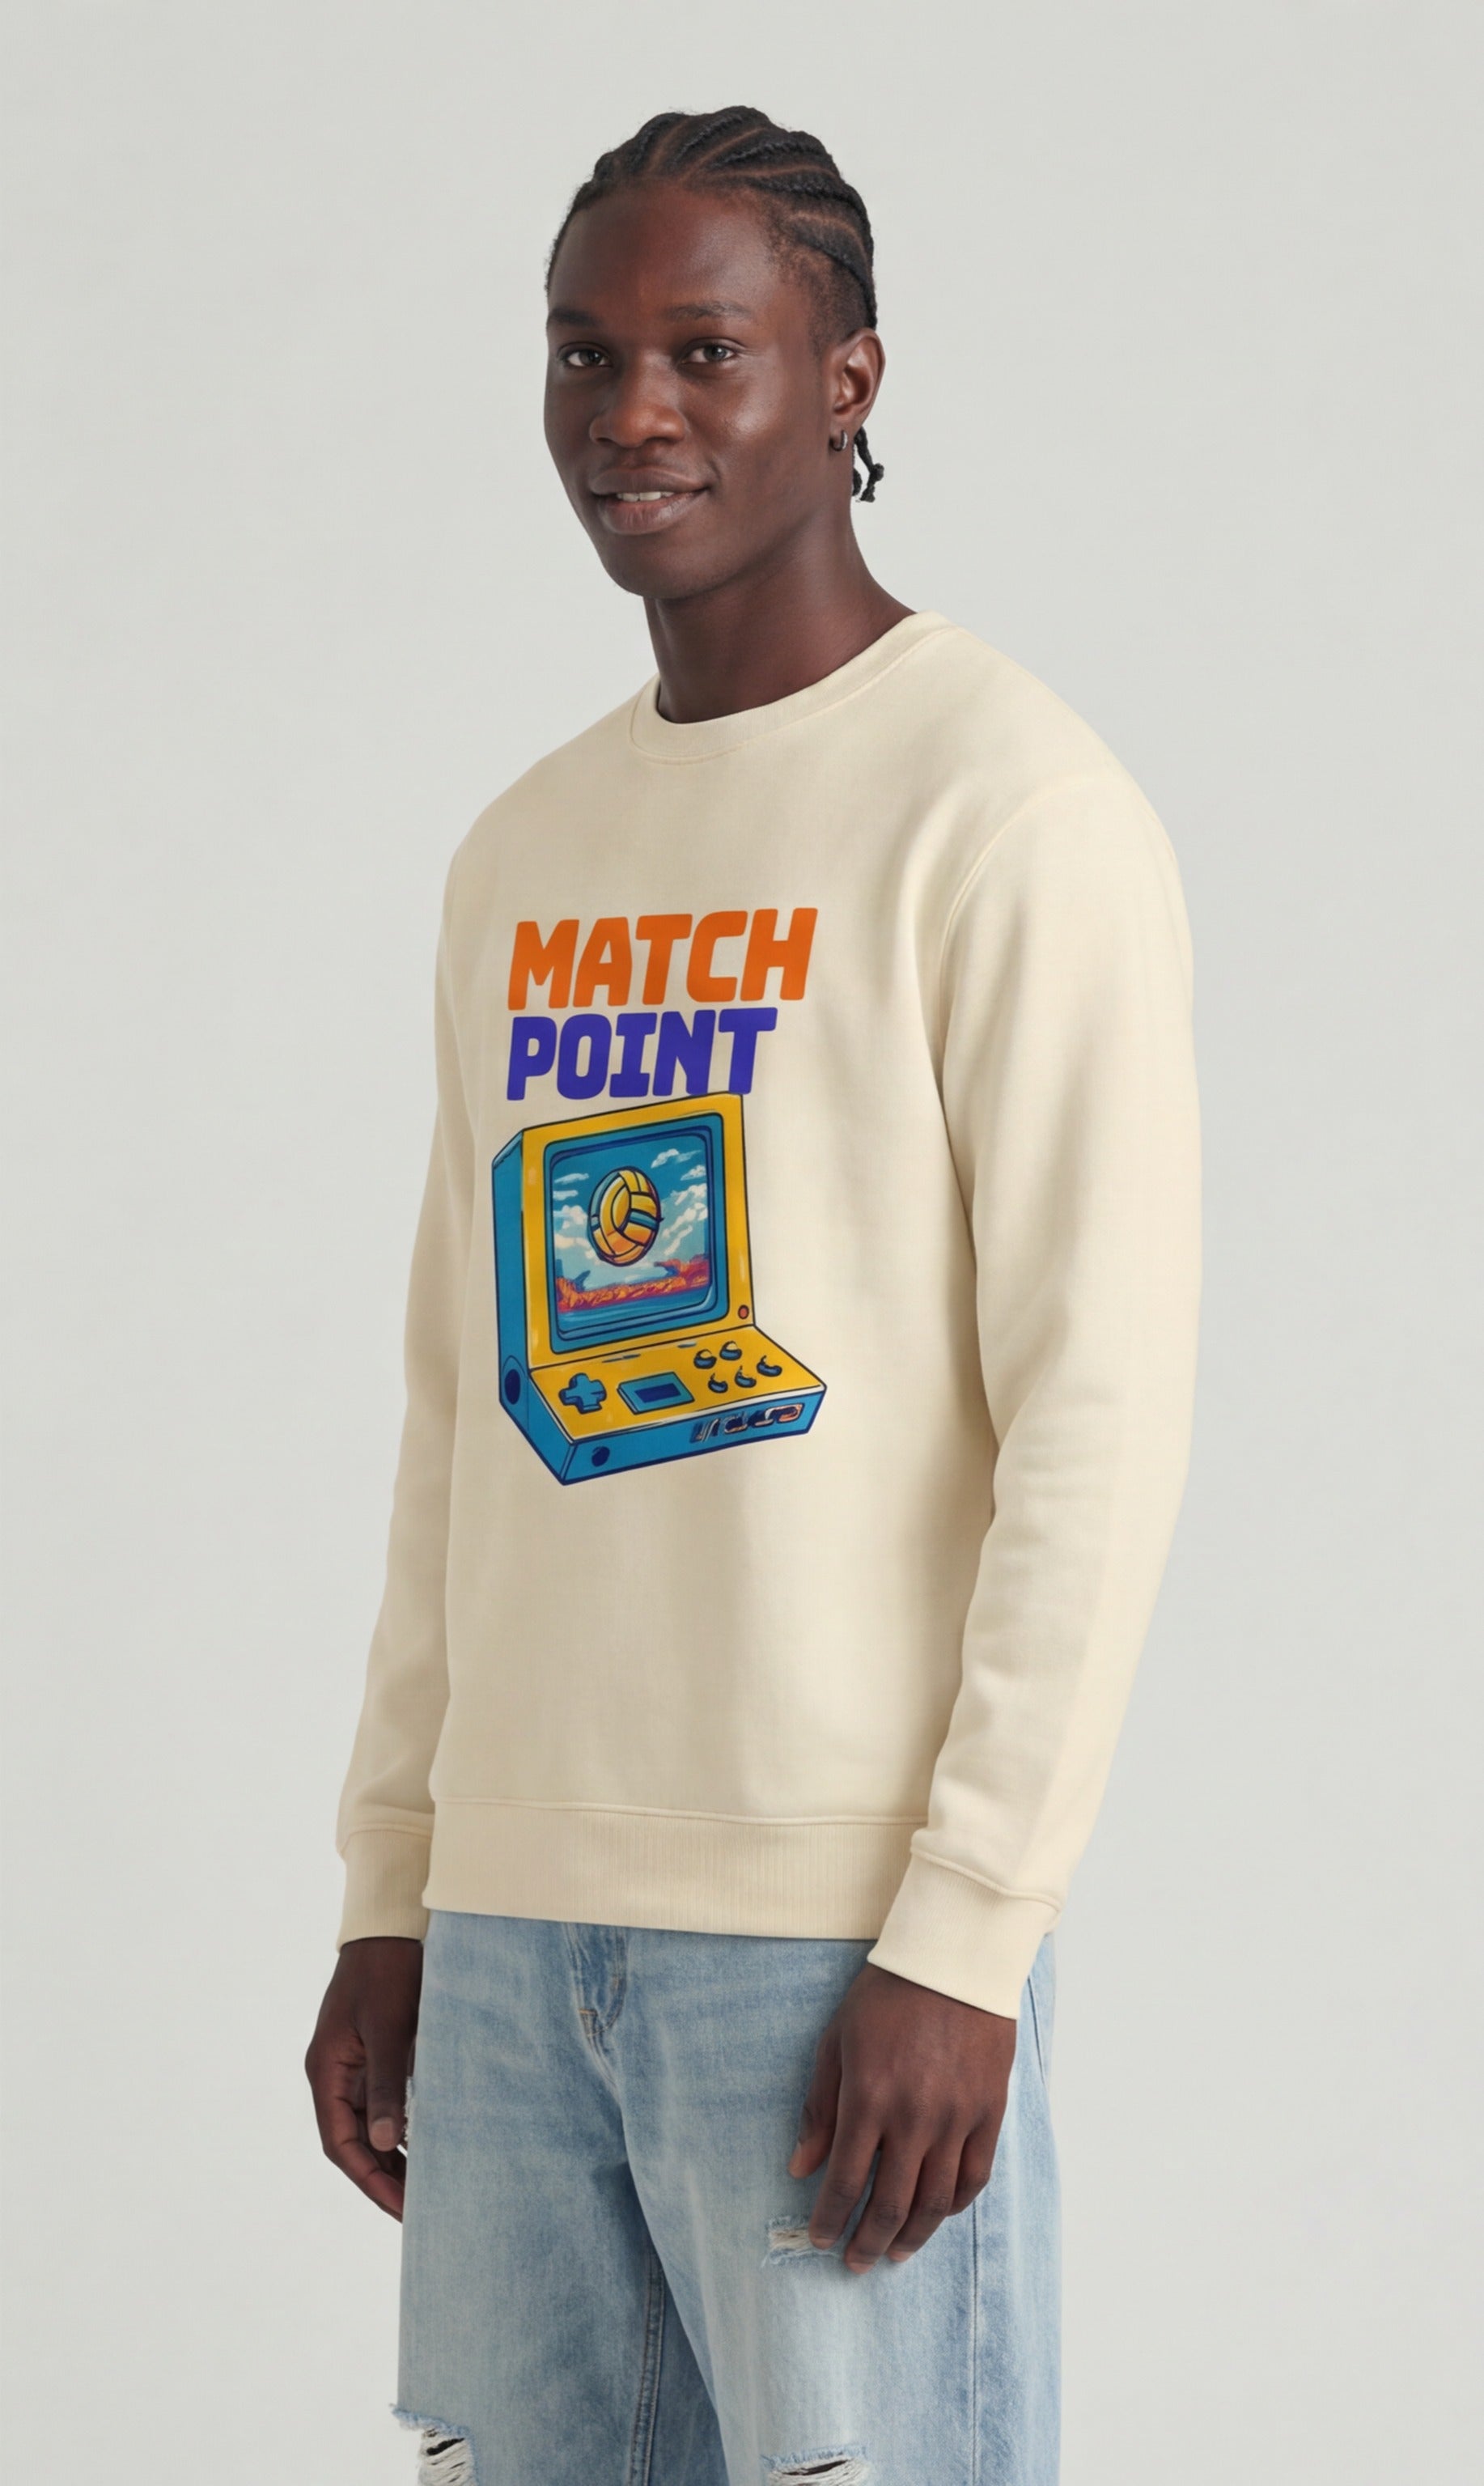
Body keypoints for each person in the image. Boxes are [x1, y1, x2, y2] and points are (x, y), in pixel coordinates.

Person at [305, 105, 1200, 2486]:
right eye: (584, 354)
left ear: (847, 379)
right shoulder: (523, 854)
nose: (634, 413)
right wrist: (398, 1882)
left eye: (706, 350)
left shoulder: (1006, 807)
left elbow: (1096, 1412)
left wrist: (964, 1932)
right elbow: (461, 1402)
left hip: (830, 1943)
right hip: (511, 1930)